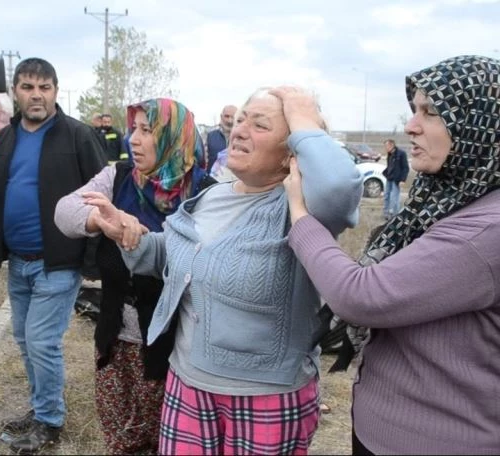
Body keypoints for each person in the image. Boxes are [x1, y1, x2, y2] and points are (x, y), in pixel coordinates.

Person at [87, 87, 362, 455]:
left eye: (260, 125)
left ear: (291, 153)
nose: (241, 129)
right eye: (241, 119)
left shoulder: (302, 206)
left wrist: (303, 113)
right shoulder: (211, 197)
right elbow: (173, 256)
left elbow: (340, 185)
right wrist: (131, 236)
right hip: (188, 385)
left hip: (264, 398)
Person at [284, 55, 500, 455]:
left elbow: (360, 296)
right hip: (389, 429)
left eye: (432, 112)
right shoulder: (450, 201)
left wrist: (300, 218)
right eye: (414, 110)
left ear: (481, 126)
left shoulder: (486, 229)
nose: (411, 125)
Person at [55, 98, 216, 454]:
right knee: (120, 434)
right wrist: (99, 222)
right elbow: (64, 211)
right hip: (116, 335)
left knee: (169, 440)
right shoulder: (119, 176)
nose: (134, 140)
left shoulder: (208, 193)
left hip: (176, 347)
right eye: (134, 129)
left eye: (148, 131)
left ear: (176, 137)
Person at [0, 57, 105, 454]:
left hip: (58, 262)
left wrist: (91, 260)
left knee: (41, 341)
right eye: (28, 87)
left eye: (44, 87)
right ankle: (40, 408)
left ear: (55, 91)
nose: (37, 95)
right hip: (18, 261)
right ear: (15, 91)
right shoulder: (6, 137)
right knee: (24, 339)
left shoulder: (78, 136)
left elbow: (101, 197)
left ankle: (50, 421)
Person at [381, 139, 409, 219]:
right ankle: (386, 213)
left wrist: (403, 179)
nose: (385, 148)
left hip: (397, 179)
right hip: (389, 178)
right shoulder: (389, 154)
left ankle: (395, 215)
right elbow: (390, 166)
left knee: (394, 197)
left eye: (386, 146)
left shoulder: (401, 154)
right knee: (386, 196)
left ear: (392, 145)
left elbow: (405, 168)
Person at [205, 104, 237, 172]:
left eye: (233, 117)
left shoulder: (244, 138)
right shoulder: (209, 136)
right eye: (227, 116)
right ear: (221, 117)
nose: (230, 121)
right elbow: (203, 163)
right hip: (213, 181)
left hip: (237, 181)